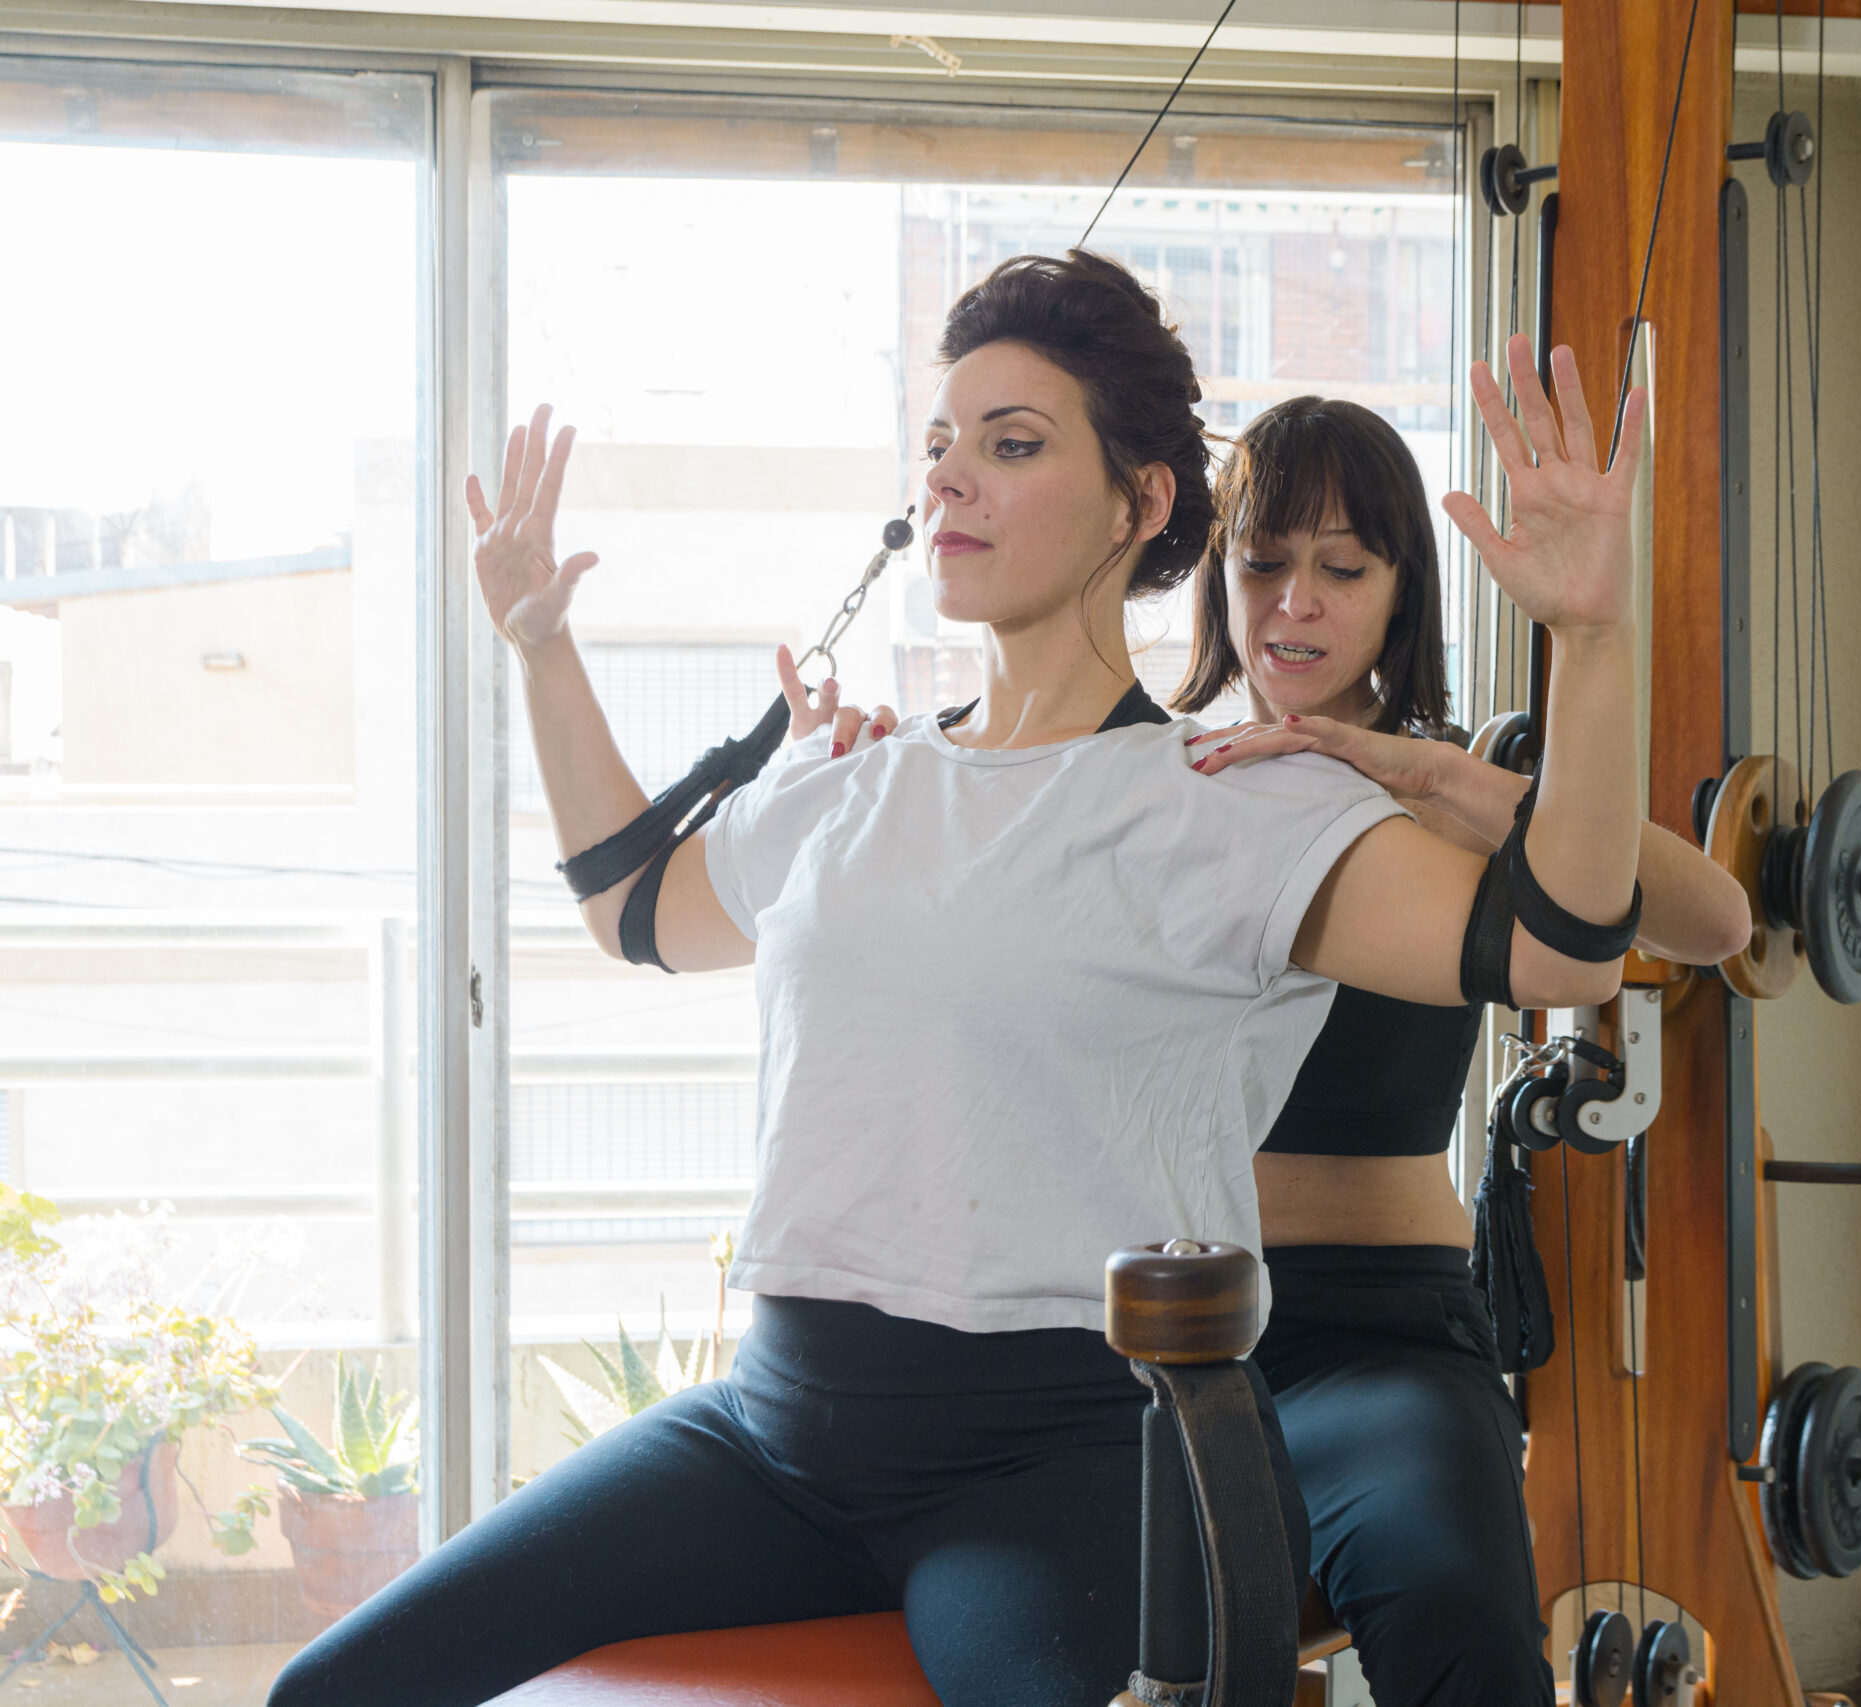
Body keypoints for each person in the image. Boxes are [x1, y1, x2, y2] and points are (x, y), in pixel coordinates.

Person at [266, 254, 1648, 1707]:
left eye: (1014, 444)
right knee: (330, 1692)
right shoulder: (853, 782)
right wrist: (543, 647)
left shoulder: (1232, 800)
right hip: (774, 1431)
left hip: (1061, 1458)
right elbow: (633, 905)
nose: (953, 484)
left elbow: (1562, 940)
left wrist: (1595, 644)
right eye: (940, 445)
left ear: (1141, 503)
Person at [1178, 396, 1752, 1706]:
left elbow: (1715, 920)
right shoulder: (1151, 774)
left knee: (1459, 1627)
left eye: (1343, 567)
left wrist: (1417, 773)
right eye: (1262, 561)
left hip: (1381, 1335)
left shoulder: (1470, 779)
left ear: (1400, 589)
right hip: (1155, 1329)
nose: (1294, 604)